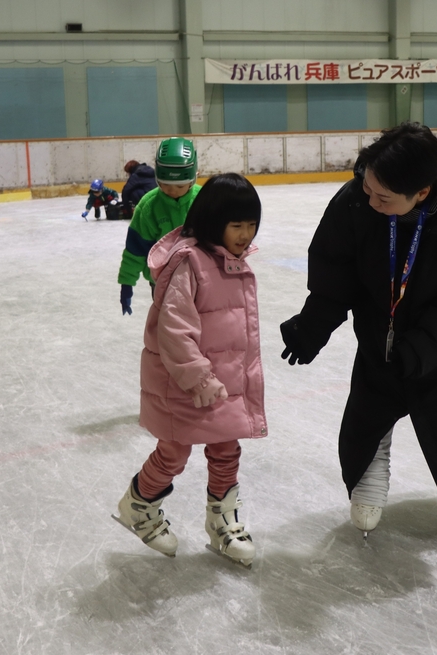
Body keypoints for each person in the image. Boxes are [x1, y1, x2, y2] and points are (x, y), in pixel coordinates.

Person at [280, 122, 437, 543]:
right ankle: (369, 472)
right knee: (368, 415)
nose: (371, 201)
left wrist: (423, 347)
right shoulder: (356, 201)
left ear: (421, 192)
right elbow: (334, 270)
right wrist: (313, 325)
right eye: (368, 189)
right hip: (379, 338)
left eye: (383, 198)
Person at [113, 173, 267, 567]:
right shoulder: (190, 263)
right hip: (183, 381)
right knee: (174, 453)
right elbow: (174, 330)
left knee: (226, 448)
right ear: (215, 222)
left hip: (222, 382)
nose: (245, 235)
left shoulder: (234, 263)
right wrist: (199, 376)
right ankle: (139, 505)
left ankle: (222, 523)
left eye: (252, 225)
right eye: (237, 226)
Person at [117, 137, 200, 315]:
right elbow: (135, 249)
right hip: (162, 282)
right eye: (165, 184)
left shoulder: (204, 200)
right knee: (169, 329)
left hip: (199, 279)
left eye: (179, 185)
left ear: (193, 178)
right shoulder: (149, 206)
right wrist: (127, 283)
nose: (172, 191)